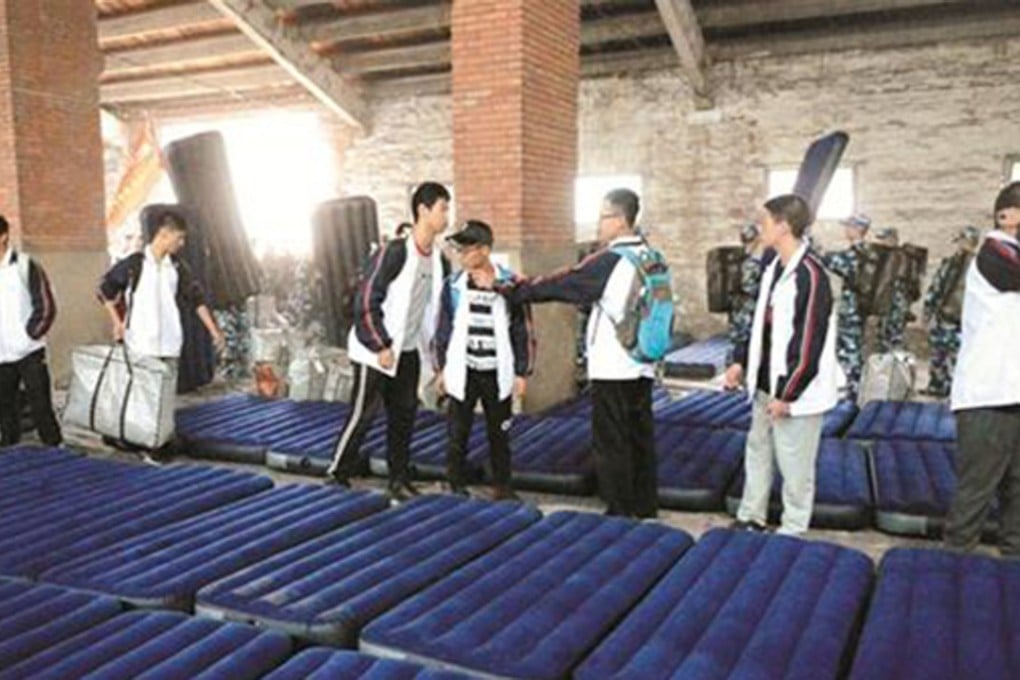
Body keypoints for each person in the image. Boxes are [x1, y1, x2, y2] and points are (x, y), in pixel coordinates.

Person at [480, 188, 662, 518]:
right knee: (639, 436)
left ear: (620, 220)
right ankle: (644, 507)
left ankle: (620, 511)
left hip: (614, 365)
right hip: (643, 361)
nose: (599, 224)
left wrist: (511, 287)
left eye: (603, 216)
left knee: (612, 440)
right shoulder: (651, 256)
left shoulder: (610, 260)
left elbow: (562, 284)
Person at [326, 182, 451, 501]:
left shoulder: (439, 261)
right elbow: (367, 298)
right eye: (442, 208)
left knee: (404, 416)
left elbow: (434, 315)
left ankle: (398, 479)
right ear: (423, 210)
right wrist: (380, 344)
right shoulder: (394, 252)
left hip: (407, 351)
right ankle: (337, 473)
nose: (447, 216)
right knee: (363, 414)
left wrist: (439, 363)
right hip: (375, 350)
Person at [725, 194, 839, 535]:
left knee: (795, 464)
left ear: (784, 226)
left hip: (795, 391)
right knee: (758, 450)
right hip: (766, 382)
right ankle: (752, 516)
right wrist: (741, 362)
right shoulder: (773, 268)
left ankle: (793, 528)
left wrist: (787, 394)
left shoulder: (811, 276)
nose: (760, 227)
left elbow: (808, 342)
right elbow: (761, 325)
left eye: (765, 221)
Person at [97, 205, 226, 456]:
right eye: (179, 238)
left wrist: (214, 331)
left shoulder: (177, 268)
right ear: (164, 235)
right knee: (143, 398)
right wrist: (117, 322)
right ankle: (144, 443)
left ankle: (158, 443)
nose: (181, 243)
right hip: (141, 344)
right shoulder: (134, 265)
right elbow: (104, 290)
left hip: (169, 344)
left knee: (165, 400)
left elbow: (197, 299)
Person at [433, 220, 534, 501]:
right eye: (459, 250)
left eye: (467, 249)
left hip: (496, 371)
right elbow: (443, 329)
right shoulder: (453, 286)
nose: (461, 255)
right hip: (464, 369)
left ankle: (502, 486)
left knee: (500, 432)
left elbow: (523, 330)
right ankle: (454, 483)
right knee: (457, 432)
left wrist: (522, 372)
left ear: (485, 250)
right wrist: (441, 368)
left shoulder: (510, 285)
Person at [945, 182, 1020, 557]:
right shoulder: (995, 253)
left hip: (1013, 389)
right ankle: (954, 566)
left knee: (1017, 491)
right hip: (988, 393)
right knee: (976, 490)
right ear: (1006, 216)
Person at [0, 215, 61, 447]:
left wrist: (31, 334)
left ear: (3, 236)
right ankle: (9, 450)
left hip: (29, 351)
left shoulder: (25, 266)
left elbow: (46, 305)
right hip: (1, 355)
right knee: (5, 408)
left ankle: (55, 447)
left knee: (41, 405)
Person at [921, 225, 980, 397]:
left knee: (945, 353)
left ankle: (942, 386)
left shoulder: (953, 263)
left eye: (962, 241)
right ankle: (946, 387)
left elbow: (936, 287)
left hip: (951, 316)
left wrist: (928, 310)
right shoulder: (980, 265)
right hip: (961, 318)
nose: (961, 244)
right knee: (950, 354)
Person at [821, 213, 870, 400]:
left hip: (852, 309)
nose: (846, 230)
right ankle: (853, 388)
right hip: (858, 307)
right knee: (850, 348)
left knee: (850, 350)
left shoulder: (858, 253)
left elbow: (837, 263)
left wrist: (817, 251)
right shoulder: (866, 252)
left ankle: (854, 391)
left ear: (859, 229)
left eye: (849, 226)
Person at [726, 223, 765, 364]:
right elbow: (748, 287)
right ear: (756, 238)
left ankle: (731, 366)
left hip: (735, 306)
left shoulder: (734, 258)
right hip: (747, 308)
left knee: (734, 340)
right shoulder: (752, 262)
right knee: (744, 342)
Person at [874, 227, 911, 352]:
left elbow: (894, 282)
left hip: (895, 304)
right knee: (884, 336)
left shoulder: (899, 257)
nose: (882, 242)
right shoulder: (889, 256)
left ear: (892, 239)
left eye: (884, 239)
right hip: (888, 304)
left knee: (894, 338)